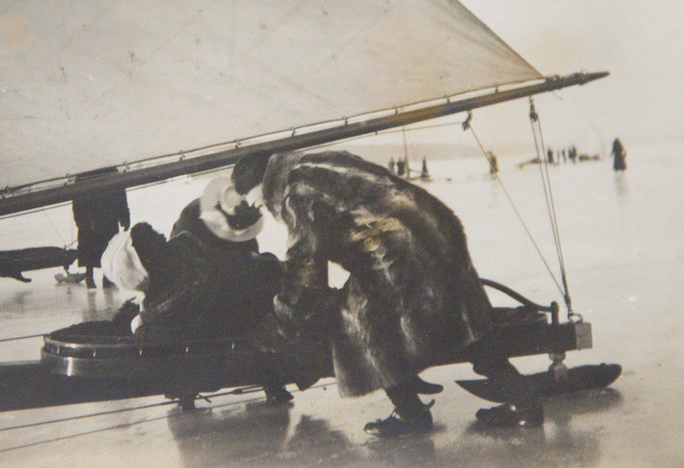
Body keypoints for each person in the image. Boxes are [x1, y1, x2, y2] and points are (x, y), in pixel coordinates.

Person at [231, 150, 544, 437]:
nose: (257, 206)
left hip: (396, 253)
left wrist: (283, 319)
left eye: (253, 199)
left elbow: (304, 265)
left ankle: (411, 414)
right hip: (436, 228)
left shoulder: (292, 193)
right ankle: (525, 402)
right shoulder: (313, 164)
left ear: (262, 183)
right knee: (464, 321)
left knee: (356, 322)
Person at [103, 177, 292, 404]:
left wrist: (140, 323)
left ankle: (185, 390)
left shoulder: (165, 306)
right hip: (256, 296)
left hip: (232, 313)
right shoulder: (190, 235)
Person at [72, 187, 130, 288]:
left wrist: (124, 216)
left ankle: (95, 277)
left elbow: (120, 194)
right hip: (103, 212)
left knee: (97, 246)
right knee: (103, 246)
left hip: (101, 212)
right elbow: (120, 194)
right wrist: (124, 216)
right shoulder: (111, 176)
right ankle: (96, 278)